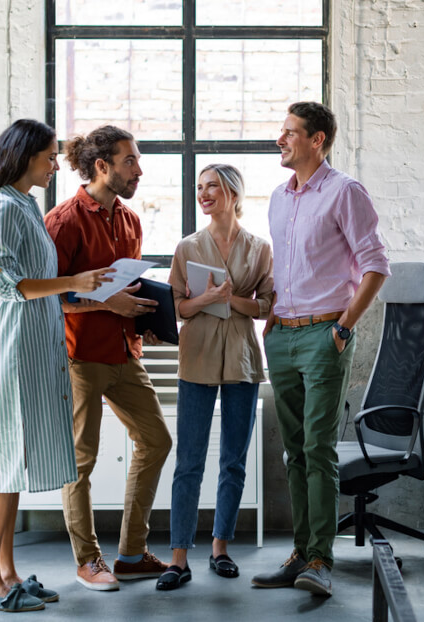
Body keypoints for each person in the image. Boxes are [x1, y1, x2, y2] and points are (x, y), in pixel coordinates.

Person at [0, 119, 115, 612]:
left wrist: (79, 285)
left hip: (31, 349)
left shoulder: (26, 204)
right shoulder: (1, 207)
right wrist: (73, 281)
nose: (56, 165)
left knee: (12, 467)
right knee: (0, 468)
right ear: (26, 155)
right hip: (11, 350)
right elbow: (5, 284)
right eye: (50, 156)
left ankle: (6, 574)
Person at [251, 102, 390, 596]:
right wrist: (273, 312)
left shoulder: (344, 192)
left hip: (324, 334)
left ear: (317, 140)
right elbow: (287, 266)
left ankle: (320, 560)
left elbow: (376, 266)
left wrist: (344, 327)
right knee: (294, 451)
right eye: (281, 131)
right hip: (282, 335)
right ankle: (300, 554)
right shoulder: (278, 198)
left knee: (317, 448)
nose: (280, 140)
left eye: (290, 132)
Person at [44, 125, 173, 592]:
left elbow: (127, 288)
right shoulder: (62, 221)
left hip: (125, 352)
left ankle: (132, 554)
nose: (139, 170)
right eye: (129, 161)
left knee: (156, 441)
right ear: (102, 166)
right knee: (81, 460)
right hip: (80, 357)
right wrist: (108, 304)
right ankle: (88, 561)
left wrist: (145, 319)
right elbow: (48, 296)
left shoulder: (131, 221)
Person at [155, 164, 274, 590]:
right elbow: (176, 308)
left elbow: (266, 306)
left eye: (212, 187)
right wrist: (207, 297)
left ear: (233, 194)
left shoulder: (259, 248)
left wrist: (232, 299)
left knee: (233, 461)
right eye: (200, 187)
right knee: (189, 461)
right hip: (197, 357)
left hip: (242, 358)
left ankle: (220, 548)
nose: (204, 194)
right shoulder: (187, 247)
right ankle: (178, 558)